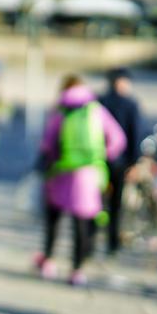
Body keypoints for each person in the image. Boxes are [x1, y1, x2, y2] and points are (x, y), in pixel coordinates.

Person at [33, 75, 126, 285]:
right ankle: (77, 270)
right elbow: (118, 139)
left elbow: (47, 143)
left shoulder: (61, 110)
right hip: (89, 176)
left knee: (54, 221)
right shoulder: (96, 110)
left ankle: (48, 261)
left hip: (61, 173)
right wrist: (100, 156)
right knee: (82, 224)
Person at [98, 68, 142, 255]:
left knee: (98, 202)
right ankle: (112, 243)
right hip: (120, 161)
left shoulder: (100, 101)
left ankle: (93, 239)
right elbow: (135, 135)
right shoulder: (130, 104)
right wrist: (134, 162)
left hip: (99, 159)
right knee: (116, 204)